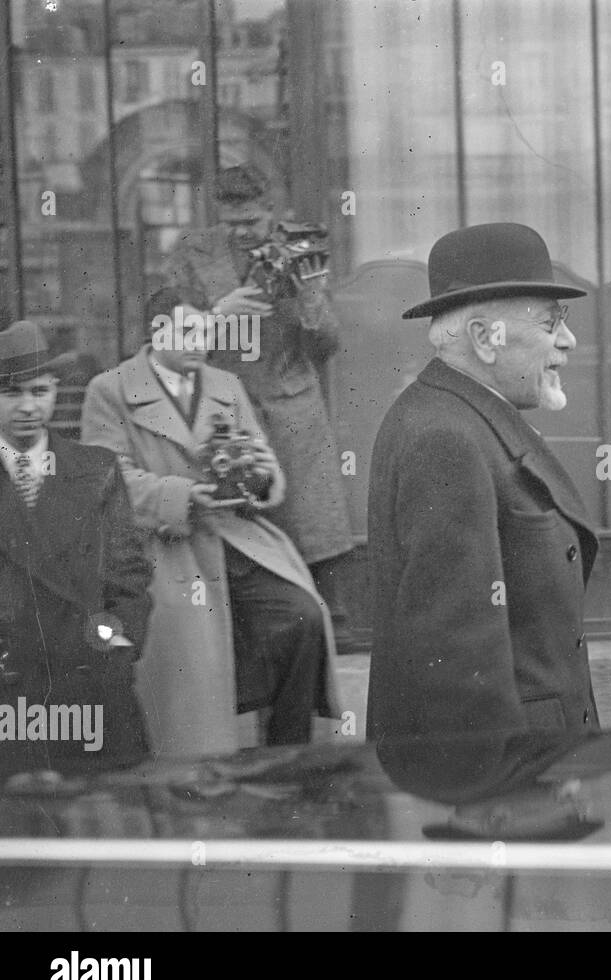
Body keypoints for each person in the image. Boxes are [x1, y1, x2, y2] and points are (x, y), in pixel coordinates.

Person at [79, 287, 341, 758]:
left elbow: (261, 464)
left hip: (235, 537)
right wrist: (179, 497)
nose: (200, 340)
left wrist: (260, 475)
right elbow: (108, 483)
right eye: (187, 330)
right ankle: (195, 766)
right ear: (156, 332)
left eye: (205, 329)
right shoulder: (110, 390)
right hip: (161, 547)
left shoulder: (224, 385)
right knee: (191, 642)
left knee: (303, 616)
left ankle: (289, 754)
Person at [367, 222, 600, 740]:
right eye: (549, 323)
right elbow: (460, 667)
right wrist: (502, 799)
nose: (568, 340)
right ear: (483, 338)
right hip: (510, 785)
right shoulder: (445, 440)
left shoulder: (456, 416)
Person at [159, 164, 357, 646]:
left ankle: (332, 632)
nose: (242, 232)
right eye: (231, 222)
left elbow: (327, 345)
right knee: (235, 522)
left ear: (272, 211)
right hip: (224, 408)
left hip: (291, 409)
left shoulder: (299, 249)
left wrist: (309, 294)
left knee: (313, 524)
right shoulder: (192, 255)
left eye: (251, 221)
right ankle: (251, 638)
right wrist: (216, 314)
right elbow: (167, 336)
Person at [0, 321, 152, 774]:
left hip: (92, 692)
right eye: (11, 395)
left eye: (40, 391)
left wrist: (114, 648)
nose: (29, 407)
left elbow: (129, 578)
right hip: (11, 698)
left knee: (107, 826)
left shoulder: (97, 470)